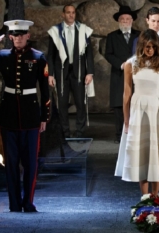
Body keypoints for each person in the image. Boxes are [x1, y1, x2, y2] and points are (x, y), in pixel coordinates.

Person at [0, 20, 50, 212]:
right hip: (9, 116)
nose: (18, 38)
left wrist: (44, 117)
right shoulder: (3, 56)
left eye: (22, 34)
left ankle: (28, 202)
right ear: (11, 37)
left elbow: (45, 90)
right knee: (11, 164)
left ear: (28, 36)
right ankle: (14, 204)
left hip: (31, 116)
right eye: (14, 35)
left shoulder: (38, 57)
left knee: (30, 164)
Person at [114, 29, 159, 195]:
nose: (150, 50)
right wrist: (126, 119)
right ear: (141, 46)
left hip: (157, 109)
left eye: (153, 47)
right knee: (142, 153)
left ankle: (156, 195)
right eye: (147, 46)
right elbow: (127, 92)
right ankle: (145, 197)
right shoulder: (131, 64)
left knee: (156, 151)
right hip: (139, 109)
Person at [47, 4, 94, 138]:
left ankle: (80, 132)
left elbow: (89, 54)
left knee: (80, 102)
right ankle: (64, 132)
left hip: (78, 71)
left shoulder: (83, 30)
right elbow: (50, 55)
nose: (71, 15)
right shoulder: (55, 31)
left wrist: (90, 72)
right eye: (68, 12)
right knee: (62, 104)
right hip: (61, 71)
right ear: (63, 14)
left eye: (73, 12)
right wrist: (50, 74)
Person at [105, 5, 140, 144]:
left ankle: (135, 133)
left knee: (135, 103)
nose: (125, 21)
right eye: (122, 19)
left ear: (132, 20)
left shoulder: (140, 35)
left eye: (127, 18)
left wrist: (133, 64)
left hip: (136, 74)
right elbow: (108, 54)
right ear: (119, 21)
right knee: (119, 105)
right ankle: (120, 134)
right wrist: (122, 65)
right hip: (119, 74)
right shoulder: (112, 36)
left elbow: (143, 53)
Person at [132, 6, 159, 71]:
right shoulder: (138, 41)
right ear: (147, 20)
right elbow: (135, 62)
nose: (156, 24)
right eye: (153, 21)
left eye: (158, 21)